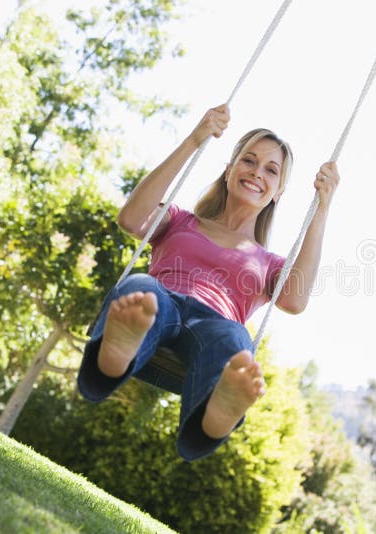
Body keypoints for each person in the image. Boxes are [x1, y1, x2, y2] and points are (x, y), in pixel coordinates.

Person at [77, 104, 339, 461]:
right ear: (229, 170)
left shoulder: (270, 263)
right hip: (162, 303)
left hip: (216, 326)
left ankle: (215, 415)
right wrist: (194, 139)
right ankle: (117, 353)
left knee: (235, 340)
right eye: (248, 160)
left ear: (278, 192)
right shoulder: (181, 220)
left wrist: (322, 208)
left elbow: (294, 301)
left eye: (271, 170)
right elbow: (132, 218)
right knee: (143, 290)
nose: (257, 172)